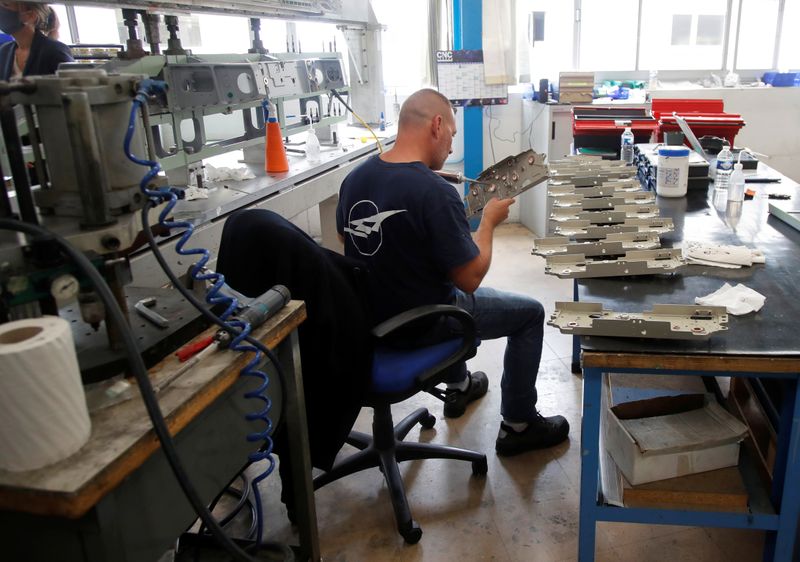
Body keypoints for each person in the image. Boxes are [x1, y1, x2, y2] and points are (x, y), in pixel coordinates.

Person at [336, 88, 569, 456]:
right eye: (452, 136)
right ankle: (519, 423)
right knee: (529, 313)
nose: (450, 145)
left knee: (432, 274)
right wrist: (488, 223)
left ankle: (459, 386)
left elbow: (346, 242)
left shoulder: (355, 180)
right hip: (422, 324)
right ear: (437, 125)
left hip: (368, 320)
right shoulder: (433, 192)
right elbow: (471, 277)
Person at [0, 2, 72, 81]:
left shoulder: (55, 51)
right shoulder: (4, 51)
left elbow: (73, 87)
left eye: (5, 5)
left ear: (31, 16)